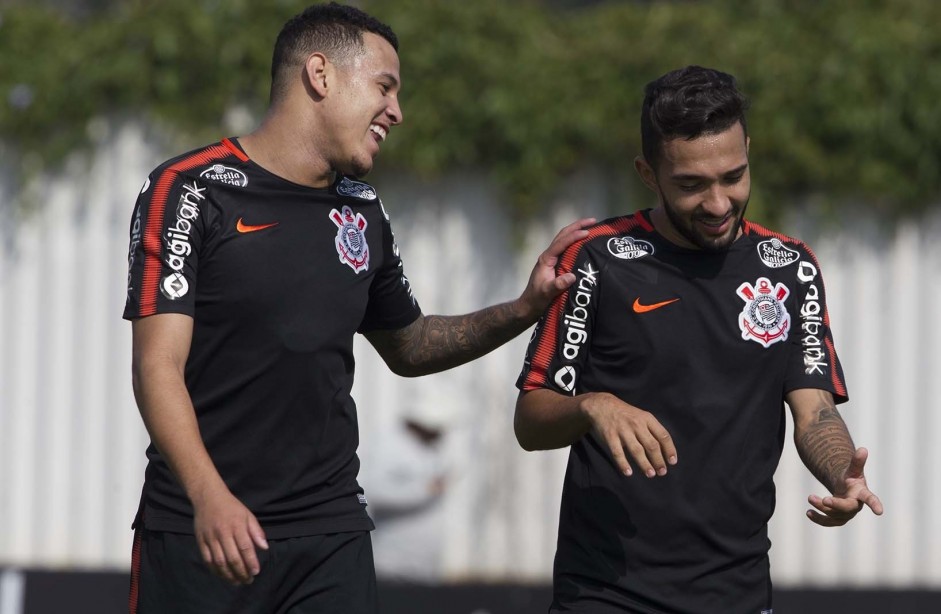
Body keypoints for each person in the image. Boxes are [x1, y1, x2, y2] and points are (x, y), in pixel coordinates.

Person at [122, 3, 592, 613]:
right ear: (320, 74)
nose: (397, 111)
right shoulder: (188, 191)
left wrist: (525, 307)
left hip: (330, 534)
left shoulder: (362, 211)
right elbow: (157, 366)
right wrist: (208, 497)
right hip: (199, 531)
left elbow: (411, 345)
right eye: (385, 86)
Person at [514, 65, 883, 613]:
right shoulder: (595, 259)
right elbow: (531, 420)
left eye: (733, 176)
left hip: (736, 591)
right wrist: (593, 405)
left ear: (749, 153)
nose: (718, 203)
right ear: (648, 172)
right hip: (607, 592)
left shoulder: (788, 267)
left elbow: (815, 411)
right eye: (691, 184)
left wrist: (842, 473)